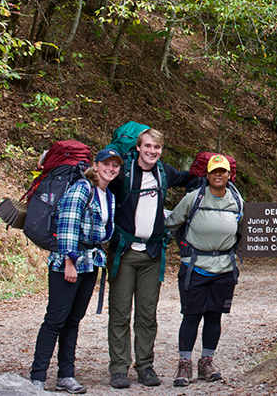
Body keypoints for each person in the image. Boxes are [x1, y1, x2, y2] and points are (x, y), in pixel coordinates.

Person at [30, 148, 123, 394]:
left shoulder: (108, 195)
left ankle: (66, 375)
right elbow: (67, 222)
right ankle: (37, 377)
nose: (111, 169)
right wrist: (70, 261)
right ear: (96, 164)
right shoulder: (83, 187)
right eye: (106, 164)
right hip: (68, 261)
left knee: (73, 320)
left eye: (115, 165)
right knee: (55, 320)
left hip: (90, 262)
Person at [106, 128, 190, 389]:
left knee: (146, 314)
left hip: (152, 254)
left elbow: (190, 178)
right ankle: (119, 369)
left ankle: (145, 366)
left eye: (157, 148)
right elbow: (100, 176)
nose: (153, 152)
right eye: (148, 147)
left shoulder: (163, 172)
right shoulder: (124, 173)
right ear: (139, 147)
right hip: (123, 253)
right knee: (120, 313)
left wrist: (215, 174)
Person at [164, 154, 243, 386]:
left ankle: (206, 362)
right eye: (214, 171)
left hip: (225, 268)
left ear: (229, 175)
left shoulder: (237, 201)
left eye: (223, 171)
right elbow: (172, 222)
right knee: (191, 316)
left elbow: (242, 231)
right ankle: (184, 364)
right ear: (207, 175)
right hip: (194, 267)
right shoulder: (193, 198)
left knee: (214, 316)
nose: (218, 175)